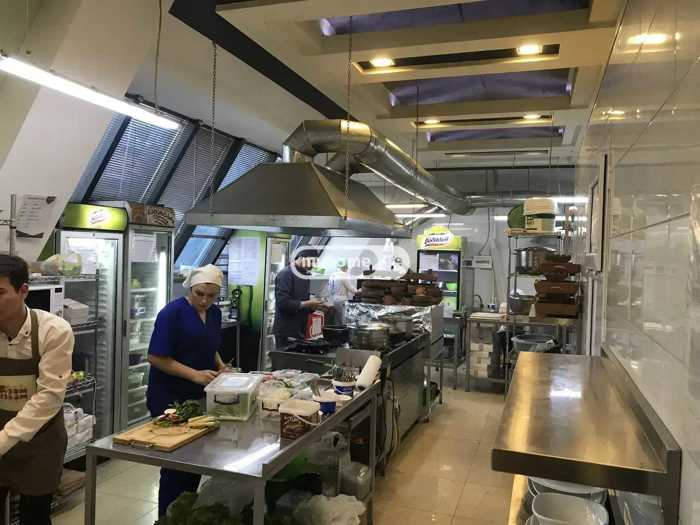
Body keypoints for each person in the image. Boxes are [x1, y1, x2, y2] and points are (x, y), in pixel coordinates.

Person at [147, 264, 227, 517]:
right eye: (199, 294)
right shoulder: (172, 313)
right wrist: (195, 375)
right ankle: (167, 517)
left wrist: (220, 366)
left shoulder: (214, 314)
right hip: (169, 397)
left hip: (198, 397)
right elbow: (156, 357)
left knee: (194, 463)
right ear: (190, 288)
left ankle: (184, 514)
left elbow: (208, 345)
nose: (204, 301)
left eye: (211, 296)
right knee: (175, 466)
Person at [0, 255, 74, 525]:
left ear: (23, 291)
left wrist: (3, 440)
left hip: (41, 441)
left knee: (35, 516)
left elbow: (49, 397)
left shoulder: (53, 331)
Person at [273, 250, 326, 348]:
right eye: (311, 262)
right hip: (286, 331)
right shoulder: (286, 274)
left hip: (300, 330)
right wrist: (309, 303)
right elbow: (283, 303)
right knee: (285, 357)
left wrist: (314, 306)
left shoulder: (305, 275)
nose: (312, 266)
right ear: (301, 258)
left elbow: (303, 300)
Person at [326, 259, 357, 324]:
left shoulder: (333, 275)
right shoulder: (343, 275)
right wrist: (358, 291)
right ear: (344, 266)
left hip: (335, 300)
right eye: (347, 266)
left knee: (337, 320)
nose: (347, 268)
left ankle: (337, 330)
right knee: (343, 320)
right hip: (342, 300)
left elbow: (329, 289)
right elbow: (350, 288)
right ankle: (343, 330)